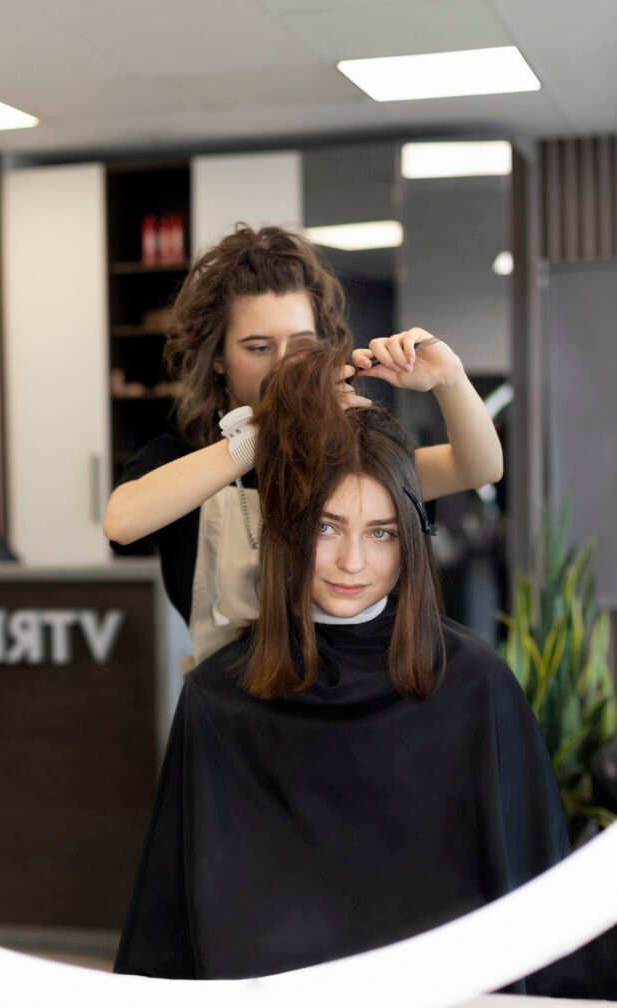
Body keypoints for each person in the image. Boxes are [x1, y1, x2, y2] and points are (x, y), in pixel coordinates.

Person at [114, 339, 569, 984]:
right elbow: (174, 935)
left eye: (381, 533)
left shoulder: (472, 683)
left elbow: (533, 907)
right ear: (287, 529)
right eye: (327, 528)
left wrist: (448, 379)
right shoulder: (220, 699)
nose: (354, 562)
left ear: (410, 539)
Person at [103, 224, 503, 667]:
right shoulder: (182, 455)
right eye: (257, 347)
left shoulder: (345, 451)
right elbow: (121, 522)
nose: (283, 364)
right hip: (228, 710)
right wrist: (262, 435)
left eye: (302, 344)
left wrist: (450, 380)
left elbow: (477, 468)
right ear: (217, 358)